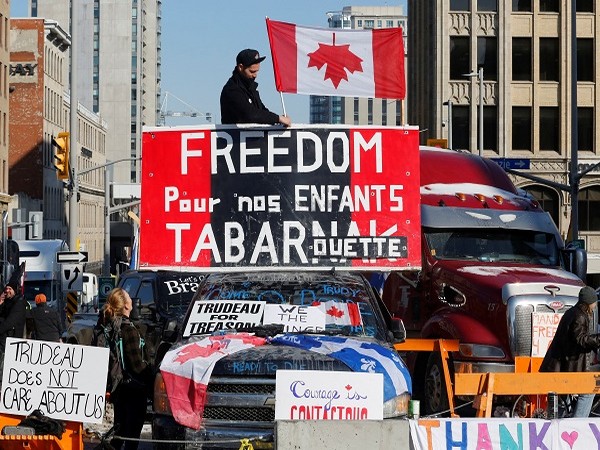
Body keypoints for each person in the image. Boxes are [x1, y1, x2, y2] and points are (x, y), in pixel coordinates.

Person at [102, 287, 152, 450]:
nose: (132, 299)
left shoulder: (111, 327)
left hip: (119, 387)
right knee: (131, 438)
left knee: (120, 433)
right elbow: (137, 365)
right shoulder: (129, 329)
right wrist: (150, 378)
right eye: (129, 297)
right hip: (134, 390)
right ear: (125, 306)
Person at [540, 285, 600, 417]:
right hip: (566, 366)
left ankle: (558, 426)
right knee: (589, 390)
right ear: (589, 302)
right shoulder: (579, 316)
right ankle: (577, 424)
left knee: (563, 401)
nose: (596, 304)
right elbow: (580, 339)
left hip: (561, 365)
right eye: (594, 301)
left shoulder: (573, 312)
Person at [220, 48, 292, 126]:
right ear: (240, 67)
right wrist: (278, 118)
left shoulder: (251, 88)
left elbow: (261, 111)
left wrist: (278, 120)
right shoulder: (232, 90)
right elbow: (250, 114)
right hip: (236, 137)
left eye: (257, 71)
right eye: (252, 72)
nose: (255, 75)